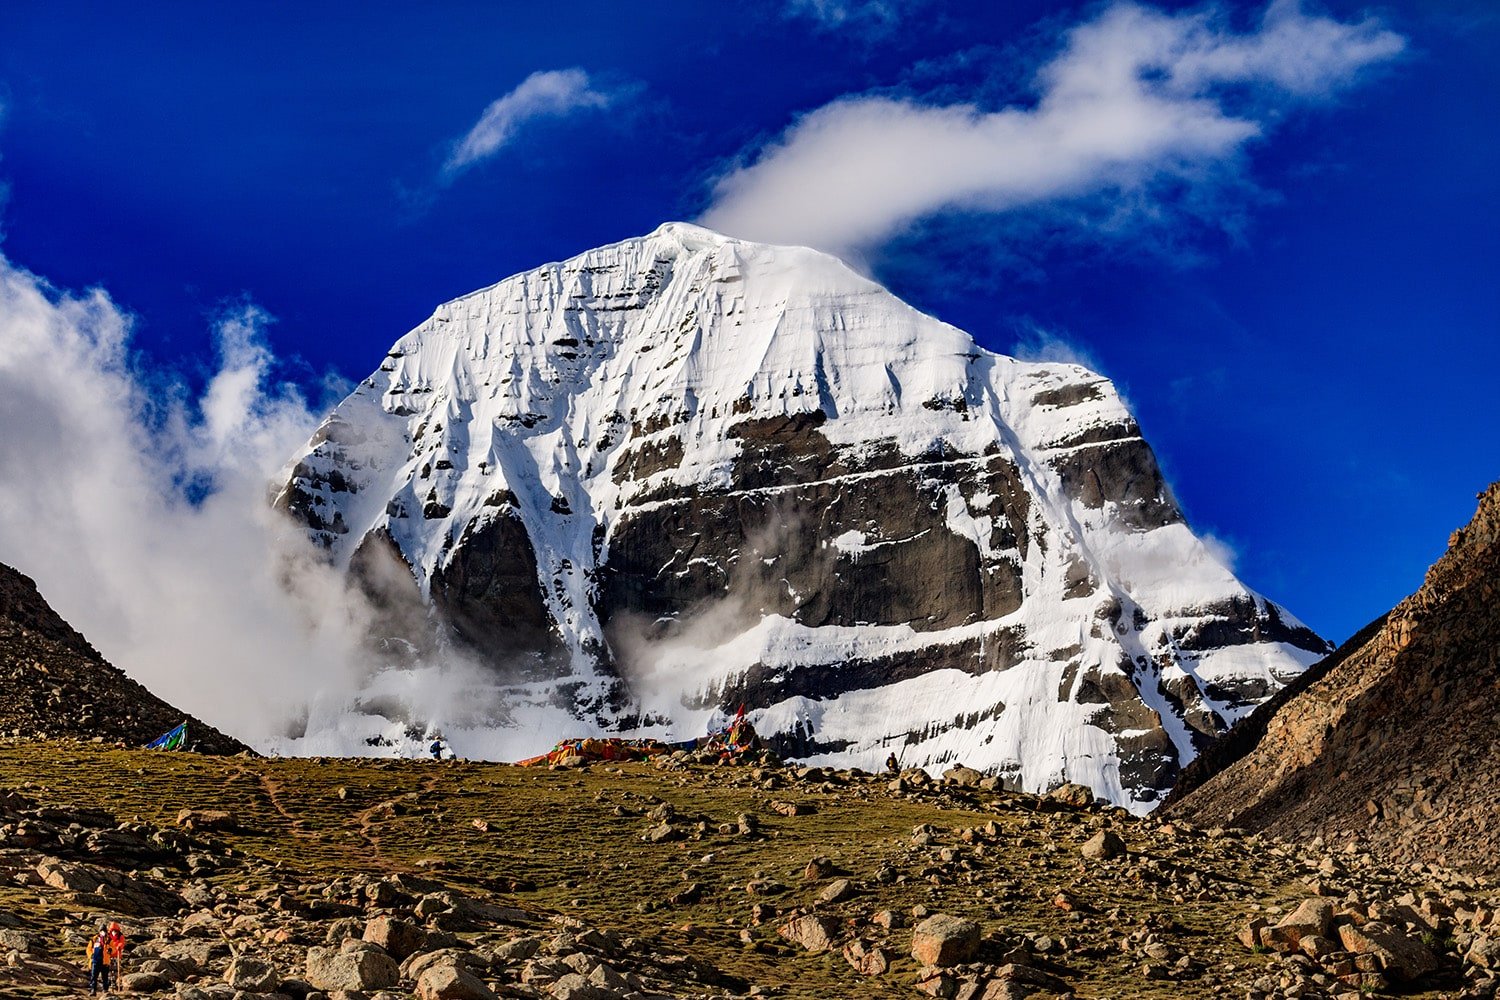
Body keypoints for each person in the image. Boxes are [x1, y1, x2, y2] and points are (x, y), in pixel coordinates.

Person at [86, 926, 110, 994]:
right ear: (99, 931)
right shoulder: (94, 939)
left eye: (104, 931)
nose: (103, 932)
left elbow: (113, 948)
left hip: (105, 961)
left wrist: (111, 950)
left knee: (105, 977)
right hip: (95, 960)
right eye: (102, 931)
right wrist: (91, 955)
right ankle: (93, 990)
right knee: (94, 976)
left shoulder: (109, 940)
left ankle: (105, 990)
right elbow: (88, 949)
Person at [106, 920, 126, 987]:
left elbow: (122, 942)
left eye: (115, 931)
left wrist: (119, 946)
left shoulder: (120, 936)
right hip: (108, 955)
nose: (114, 932)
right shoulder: (108, 936)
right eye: (113, 930)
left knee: (115, 969)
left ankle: (114, 982)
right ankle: (108, 981)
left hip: (116, 955)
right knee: (108, 969)